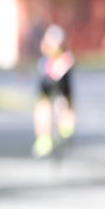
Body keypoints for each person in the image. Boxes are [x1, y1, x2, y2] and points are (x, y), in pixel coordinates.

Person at [32, 24, 76, 158]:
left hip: (62, 91)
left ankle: (65, 127)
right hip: (46, 91)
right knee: (41, 108)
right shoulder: (43, 61)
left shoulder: (66, 59)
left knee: (65, 107)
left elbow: (64, 81)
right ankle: (43, 138)